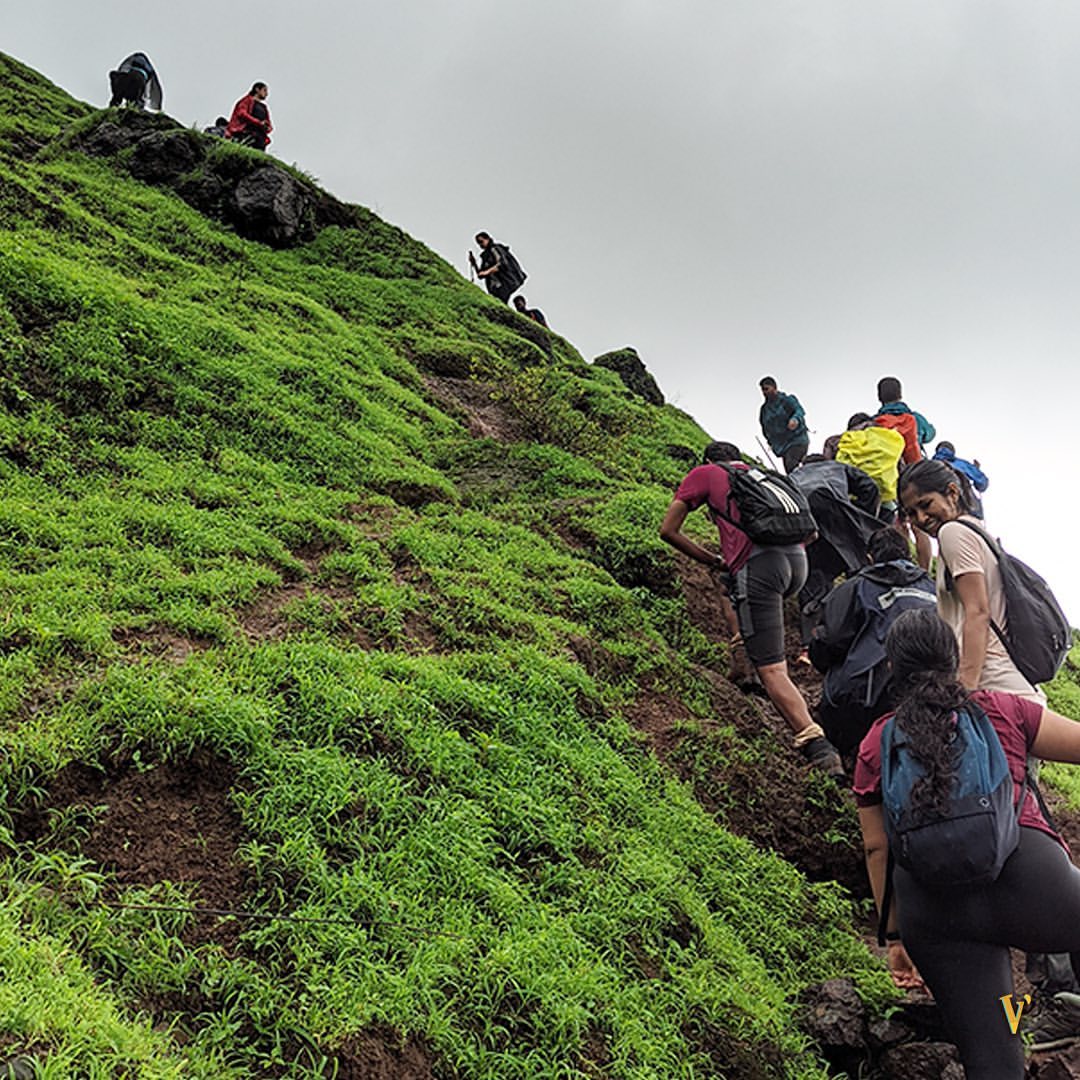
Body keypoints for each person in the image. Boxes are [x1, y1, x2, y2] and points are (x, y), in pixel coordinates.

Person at [854, 607, 1080, 1079]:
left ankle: (1016, 1026)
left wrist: (894, 938)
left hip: (939, 921)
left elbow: (877, 849)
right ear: (954, 659)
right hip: (1038, 890)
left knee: (995, 1053)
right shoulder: (1000, 709)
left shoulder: (876, 743)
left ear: (892, 668)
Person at [659, 441, 843, 777]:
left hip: (760, 568)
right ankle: (742, 669)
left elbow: (668, 530)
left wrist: (712, 560)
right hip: (797, 563)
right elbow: (811, 532)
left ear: (708, 460)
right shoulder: (766, 477)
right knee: (733, 591)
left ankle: (817, 745)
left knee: (772, 669)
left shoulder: (706, 474)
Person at [899, 459, 1044, 704]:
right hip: (1013, 682)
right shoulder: (976, 530)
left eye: (925, 504)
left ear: (952, 493)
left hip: (992, 684)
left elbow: (977, 611)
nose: (921, 518)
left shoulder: (952, 533)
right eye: (911, 513)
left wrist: (965, 689)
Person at [809, 528, 935, 754]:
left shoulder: (855, 587)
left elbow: (829, 642)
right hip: (931, 696)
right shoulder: (933, 589)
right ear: (909, 555)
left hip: (864, 698)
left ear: (870, 558)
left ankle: (846, 752)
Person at [789, 454, 881, 657]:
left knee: (813, 580)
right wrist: (861, 515)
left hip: (805, 524)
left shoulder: (794, 474)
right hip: (836, 515)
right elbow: (870, 487)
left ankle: (811, 646)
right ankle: (868, 635)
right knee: (860, 572)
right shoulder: (837, 466)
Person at [833, 413, 906, 523]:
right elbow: (900, 469)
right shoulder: (886, 438)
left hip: (853, 499)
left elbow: (831, 469)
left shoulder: (843, 440)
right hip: (885, 500)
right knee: (884, 534)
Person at [874, 376, 936, 465]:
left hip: (885, 469)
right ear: (900, 395)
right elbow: (930, 435)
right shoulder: (916, 418)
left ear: (879, 397)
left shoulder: (874, 422)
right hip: (914, 467)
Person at [758, 377, 809, 473]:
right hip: (782, 446)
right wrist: (770, 442)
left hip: (797, 440)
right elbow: (764, 427)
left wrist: (795, 419)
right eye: (762, 390)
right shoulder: (764, 410)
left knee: (792, 465)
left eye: (766, 389)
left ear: (774, 387)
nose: (764, 393)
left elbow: (799, 410)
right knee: (789, 470)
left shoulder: (787, 400)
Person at [933, 441, 989, 518]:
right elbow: (982, 483)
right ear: (952, 451)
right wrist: (975, 470)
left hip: (938, 510)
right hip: (965, 508)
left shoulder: (929, 465)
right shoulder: (961, 463)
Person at [469, 232, 525, 303]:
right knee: (498, 301)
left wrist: (487, 272)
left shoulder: (495, 249)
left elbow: (502, 264)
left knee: (501, 300)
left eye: (481, 241)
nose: (480, 245)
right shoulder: (485, 256)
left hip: (504, 282)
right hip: (494, 286)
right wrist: (474, 264)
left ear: (487, 239)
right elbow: (480, 275)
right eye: (478, 243)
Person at [226, 83, 273, 150]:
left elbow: (268, 121)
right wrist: (258, 122)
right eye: (264, 90)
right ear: (257, 89)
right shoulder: (246, 101)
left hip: (260, 137)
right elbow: (242, 113)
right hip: (246, 133)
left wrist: (268, 127)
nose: (266, 94)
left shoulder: (264, 107)